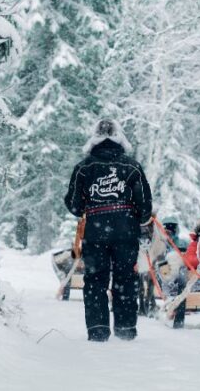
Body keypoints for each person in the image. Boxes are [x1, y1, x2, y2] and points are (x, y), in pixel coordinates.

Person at [64, 119, 152, 342]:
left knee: (95, 280)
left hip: (95, 232)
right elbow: (145, 207)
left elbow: (74, 206)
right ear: (119, 137)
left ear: (94, 138)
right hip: (126, 233)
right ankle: (125, 330)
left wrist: (92, 207)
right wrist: (133, 217)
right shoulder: (132, 167)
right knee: (125, 279)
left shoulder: (84, 168)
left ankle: (98, 330)